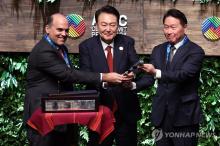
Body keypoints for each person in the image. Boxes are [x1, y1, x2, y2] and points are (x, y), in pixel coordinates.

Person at [23, 13, 129, 146]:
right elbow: (68, 75)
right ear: (47, 29)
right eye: (59, 30)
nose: (64, 34)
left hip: (61, 110)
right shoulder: (43, 51)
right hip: (43, 115)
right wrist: (104, 76)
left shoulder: (61, 48)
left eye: (67, 30)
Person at [79, 5, 151, 146]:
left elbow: (136, 65)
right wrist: (105, 80)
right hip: (100, 111)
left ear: (118, 25)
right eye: (104, 24)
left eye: (112, 25)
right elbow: (85, 75)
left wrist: (132, 74)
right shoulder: (86, 46)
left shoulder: (127, 42)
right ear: (97, 25)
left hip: (126, 110)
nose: (108, 29)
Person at [140, 9, 205, 146]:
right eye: (166, 27)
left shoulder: (195, 51)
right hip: (161, 116)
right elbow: (149, 78)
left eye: (173, 27)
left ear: (184, 26)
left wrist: (157, 72)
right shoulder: (158, 50)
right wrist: (132, 85)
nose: (168, 31)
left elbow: (184, 74)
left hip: (184, 117)